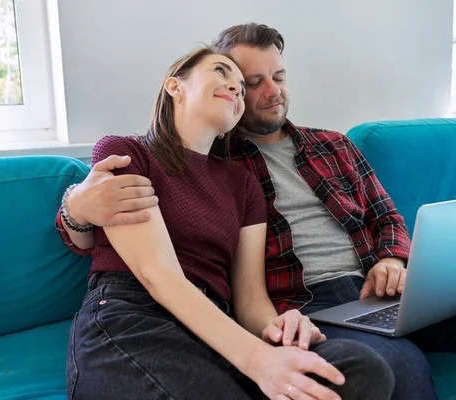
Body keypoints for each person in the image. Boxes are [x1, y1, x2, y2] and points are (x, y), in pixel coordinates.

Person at [58, 24, 456, 399]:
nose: (260, 92)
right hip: (308, 303)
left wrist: (394, 260)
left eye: (274, 77)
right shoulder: (197, 157)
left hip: (384, 290)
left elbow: (387, 218)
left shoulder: (327, 146)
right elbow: (151, 265)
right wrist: (75, 208)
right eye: (244, 79)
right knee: (393, 367)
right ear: (176, 84)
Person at [57, 46, 395, 400]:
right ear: (175, 86)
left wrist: (279, 327)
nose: (235, 87)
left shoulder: (243, 183)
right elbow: (157, 274)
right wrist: (258, 359)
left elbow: (249, 299)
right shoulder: (127, 152)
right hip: (133, 317)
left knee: (358, 368)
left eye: (239, 84)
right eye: (220, 71)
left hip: (217, 326)